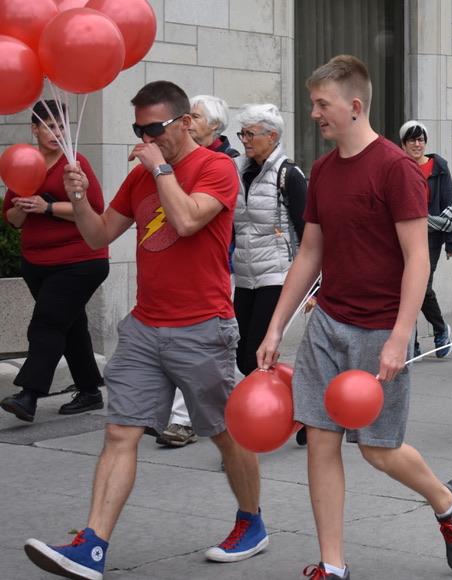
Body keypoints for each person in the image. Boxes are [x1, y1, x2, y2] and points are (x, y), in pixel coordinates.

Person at [25, 81, 267, 580]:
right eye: (138, 130)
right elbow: (97, 235)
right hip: (143, 327)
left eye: (153, 128)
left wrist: (158, 167)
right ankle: (92, 545)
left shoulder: (217, 168)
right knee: (119, 432)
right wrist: (78, 199)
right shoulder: (138, 180)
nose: (144, 137)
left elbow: (185, 221)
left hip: (203, 328)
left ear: (184, 122)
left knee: (224, 433)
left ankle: (251, 522)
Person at [255, 56, 452, 579]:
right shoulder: (325, 171)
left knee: (379, 450)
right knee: (321, 441)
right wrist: (276, 328)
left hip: (380, 331)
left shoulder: (396, 168)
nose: (314, 114)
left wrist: (400, 337)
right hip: (328, 324)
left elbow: (418, 258)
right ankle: (332, 565)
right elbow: (310, 254)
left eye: (321, 105)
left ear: (354, 107)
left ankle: (447, 503)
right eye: (313, 104)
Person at [1, 101, 109, 423]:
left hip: (80, 260)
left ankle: (29, 395)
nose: (56, 132)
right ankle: (90, 391)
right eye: (49, 126)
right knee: (70, 326)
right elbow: (13, 219)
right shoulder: (24, 162)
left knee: (46, 324)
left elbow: (95, 208)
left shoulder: (74, 164)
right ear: (34, 129)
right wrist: (24, 207)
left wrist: (47, 207)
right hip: (37, 263)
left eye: (61, 127)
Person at [159, 93, 239, 447]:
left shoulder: (225, 162)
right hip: (178, 267)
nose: (187, 121)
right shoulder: (175, 160)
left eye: (194, 116)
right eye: (186, 115)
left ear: (215, 126)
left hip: (220, 266)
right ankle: (196, 417)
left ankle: (193, 421)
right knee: (219, 357)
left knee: (212, 350)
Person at [232, 103, 307, 376]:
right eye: (242, 134)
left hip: (277, 278)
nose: (244, 141)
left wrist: (315, 287)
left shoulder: (289, 175)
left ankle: (277, 414)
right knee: (240, 355)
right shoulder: (236, 172)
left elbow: (306, 232)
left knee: (257, 355)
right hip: (244, 277)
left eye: (251, 134)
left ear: (272, 136)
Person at [399, 120, 452, 359]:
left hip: (431, 237)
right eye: (412, 140)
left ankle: (441, 329)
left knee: (421, 288)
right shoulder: (398, 167)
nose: (417, 144)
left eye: (420, 139)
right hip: (402, 236)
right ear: (403, 144)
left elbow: (449, 205)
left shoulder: (438, 167)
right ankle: (410, 342)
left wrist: (451, 240)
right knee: (403, 288)